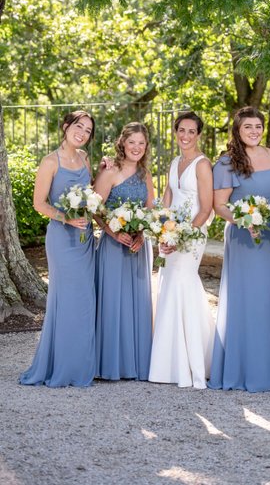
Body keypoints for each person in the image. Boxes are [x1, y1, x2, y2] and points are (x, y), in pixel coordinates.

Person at [208, 106, 270, 392]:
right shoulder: (227, 163)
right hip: (245, 237)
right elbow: (219, 206)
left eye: (257, 126)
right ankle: (245, 368)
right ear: (237, 131)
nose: (254, 131)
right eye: (247, 127)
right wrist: (243, 220)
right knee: (248, 300)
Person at [20, 110, 96, 387]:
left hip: (85, 238)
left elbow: (93, 193)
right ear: (66, 127)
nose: (83, 133)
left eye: (88, 130)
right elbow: (39, 203)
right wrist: (65, 217)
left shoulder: (85, 158)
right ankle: (60, 366)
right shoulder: (50, 162)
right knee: (65, 300)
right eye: (79, 126)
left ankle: (82, 364)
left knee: (85, 300)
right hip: (62, 239)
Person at [148, 111, 215, 389]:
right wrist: (161, 228)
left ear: (199, 135)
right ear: (175, 132)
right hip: (171, 232)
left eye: (191, 131)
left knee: (183, 284)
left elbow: (207, 206)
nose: (185, 136)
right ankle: (168, 363)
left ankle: (194, 363)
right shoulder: (175, 161)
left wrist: (183, 235)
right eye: (181, 130)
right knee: (168, 285)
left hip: (192, 234)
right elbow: (167, 197)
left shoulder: (202, 164)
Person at [93, 123, 154, 381]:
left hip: (137, 248)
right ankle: (109, 364)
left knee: (136, 301)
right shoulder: (110, 171)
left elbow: (150, 210)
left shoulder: (146, 175)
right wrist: (113, 232)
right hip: (113, 247)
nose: (136, 148)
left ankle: (135, 364)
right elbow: (95, 208)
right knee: (112, 302)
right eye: (132, 143)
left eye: (141, 143)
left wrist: (141, 233)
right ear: (123, 143)